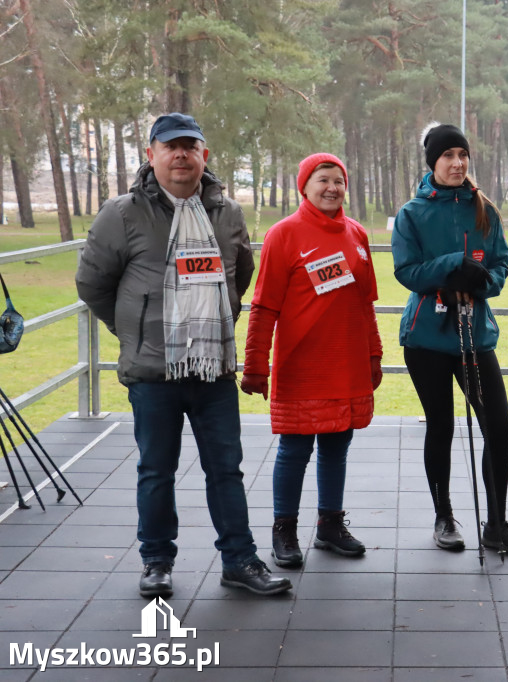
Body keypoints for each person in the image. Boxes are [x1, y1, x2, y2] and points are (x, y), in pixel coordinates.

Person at [75, 113, 291, 597]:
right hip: (153, 372)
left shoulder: (227, 213)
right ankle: (156, 561)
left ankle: (239, 560)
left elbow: (239, 274)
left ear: (204, 156)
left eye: (189, 146)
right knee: (156, 471)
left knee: (226, 469)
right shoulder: (123, 213)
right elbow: (92, 283)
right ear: (150, 155)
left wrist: (213, 324)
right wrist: (134, 333)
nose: (180, 155)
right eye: (169, 147)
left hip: (212, 369)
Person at [392, 123, 508, 555]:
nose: (457, 163)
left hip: (475, 335)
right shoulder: (412, 214)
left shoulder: (483, 209)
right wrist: (454, 264)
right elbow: (406, 271)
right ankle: (444, 516)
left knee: (498, 426)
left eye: (462, 154)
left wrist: (482, 282)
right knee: (440, 425)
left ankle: (496, 523)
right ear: (432, 162)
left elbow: (501, 265)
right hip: (426, 338)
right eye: (447, 156)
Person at [241, 153, 383, 568]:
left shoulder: (356, 233)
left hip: (348, 361)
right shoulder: (284, 234)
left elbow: (365, 303)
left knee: (338, 445)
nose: (332, 188)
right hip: (302, 365)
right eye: (323, 180)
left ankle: (330, 525)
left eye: (339, 180)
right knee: (295, 449)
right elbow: (264, 305)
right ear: (304, 186)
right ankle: (284, 530)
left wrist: (374, 353)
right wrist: (255, 363)